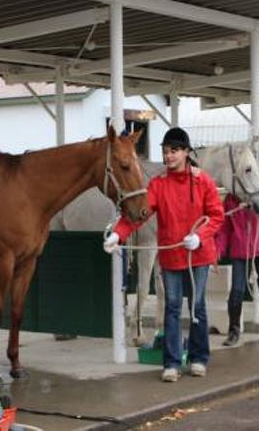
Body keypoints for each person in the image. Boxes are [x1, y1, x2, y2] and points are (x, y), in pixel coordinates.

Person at [103, 127, 224, 382]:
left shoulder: (203, 181)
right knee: (171, 308)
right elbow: (140, 215)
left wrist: (200, 237)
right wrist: (118, 234)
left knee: (197, 307)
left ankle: (198, 358)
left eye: (174, 151)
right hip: (171, 260)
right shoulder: (158, 185)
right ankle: (171, 362)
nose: (169, 156)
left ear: (186, 152)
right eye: (166, 151)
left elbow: (216, 216)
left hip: (198, 258)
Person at [215, 183, 259, 347]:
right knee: (237, 290)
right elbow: (225, 228)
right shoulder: (231, 200)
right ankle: (233, 332)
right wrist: (218, 249)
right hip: (240, 248)